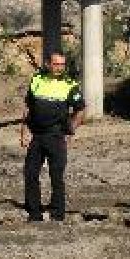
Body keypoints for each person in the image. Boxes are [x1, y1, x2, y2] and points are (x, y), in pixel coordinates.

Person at [20, 51, 85, 222]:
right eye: (56, 64)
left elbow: (80, 110)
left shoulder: (70, 84)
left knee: (56, 175)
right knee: (30, 173)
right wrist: (24, 130)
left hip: (56, 136)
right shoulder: (37, 80)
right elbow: (28, 107)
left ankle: (57, 214)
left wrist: (70, 131)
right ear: (48, 64)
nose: (60, 68)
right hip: (37, 135)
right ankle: (34, 213)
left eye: (62, 65)